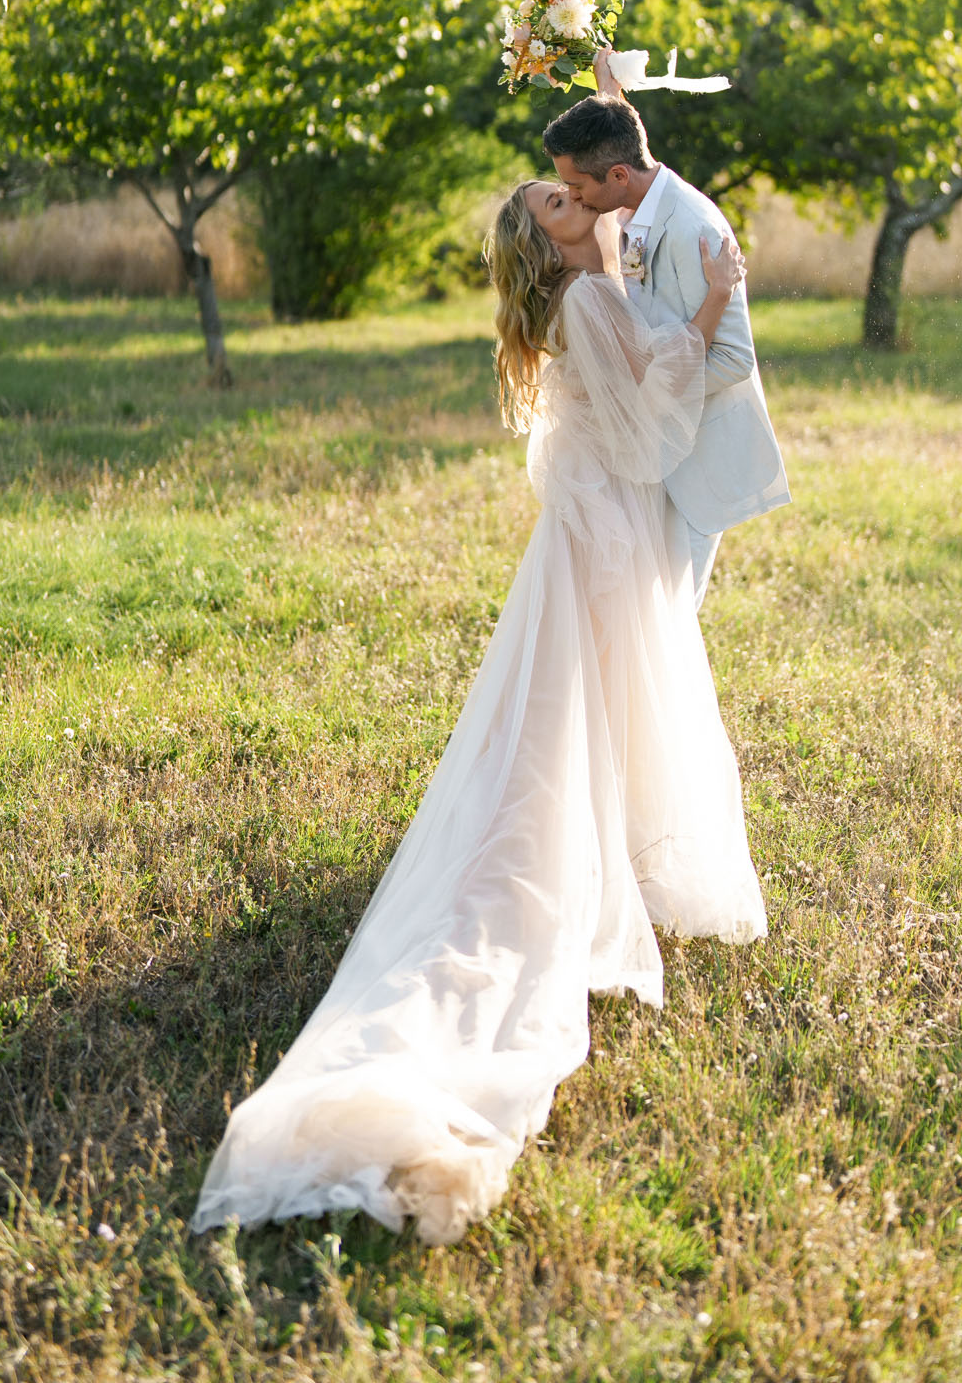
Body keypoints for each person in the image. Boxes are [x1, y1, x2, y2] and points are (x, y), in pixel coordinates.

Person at [191, 185, 767, 1246]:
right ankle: (602, 858)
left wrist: (598, 72)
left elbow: (618, 177)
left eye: (580, 183)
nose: (583, 197)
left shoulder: (589, 286)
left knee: (582, 706)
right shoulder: (588, 304)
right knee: (599, 701)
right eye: (561, 198)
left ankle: (611, 842)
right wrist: (710, 304)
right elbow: (646, 434)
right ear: (543, 237)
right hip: (606, 527)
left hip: (585, 527)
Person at [541, 53, 790, 608]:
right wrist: (605, 85)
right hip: (653, 457)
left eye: (574, 184)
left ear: (618, 176)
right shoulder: (635, 201)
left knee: (671, 620)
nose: (573, 195)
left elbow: (734, 359)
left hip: (696, 458)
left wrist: (639, 393)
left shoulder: (692, 232)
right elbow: (622, 146)